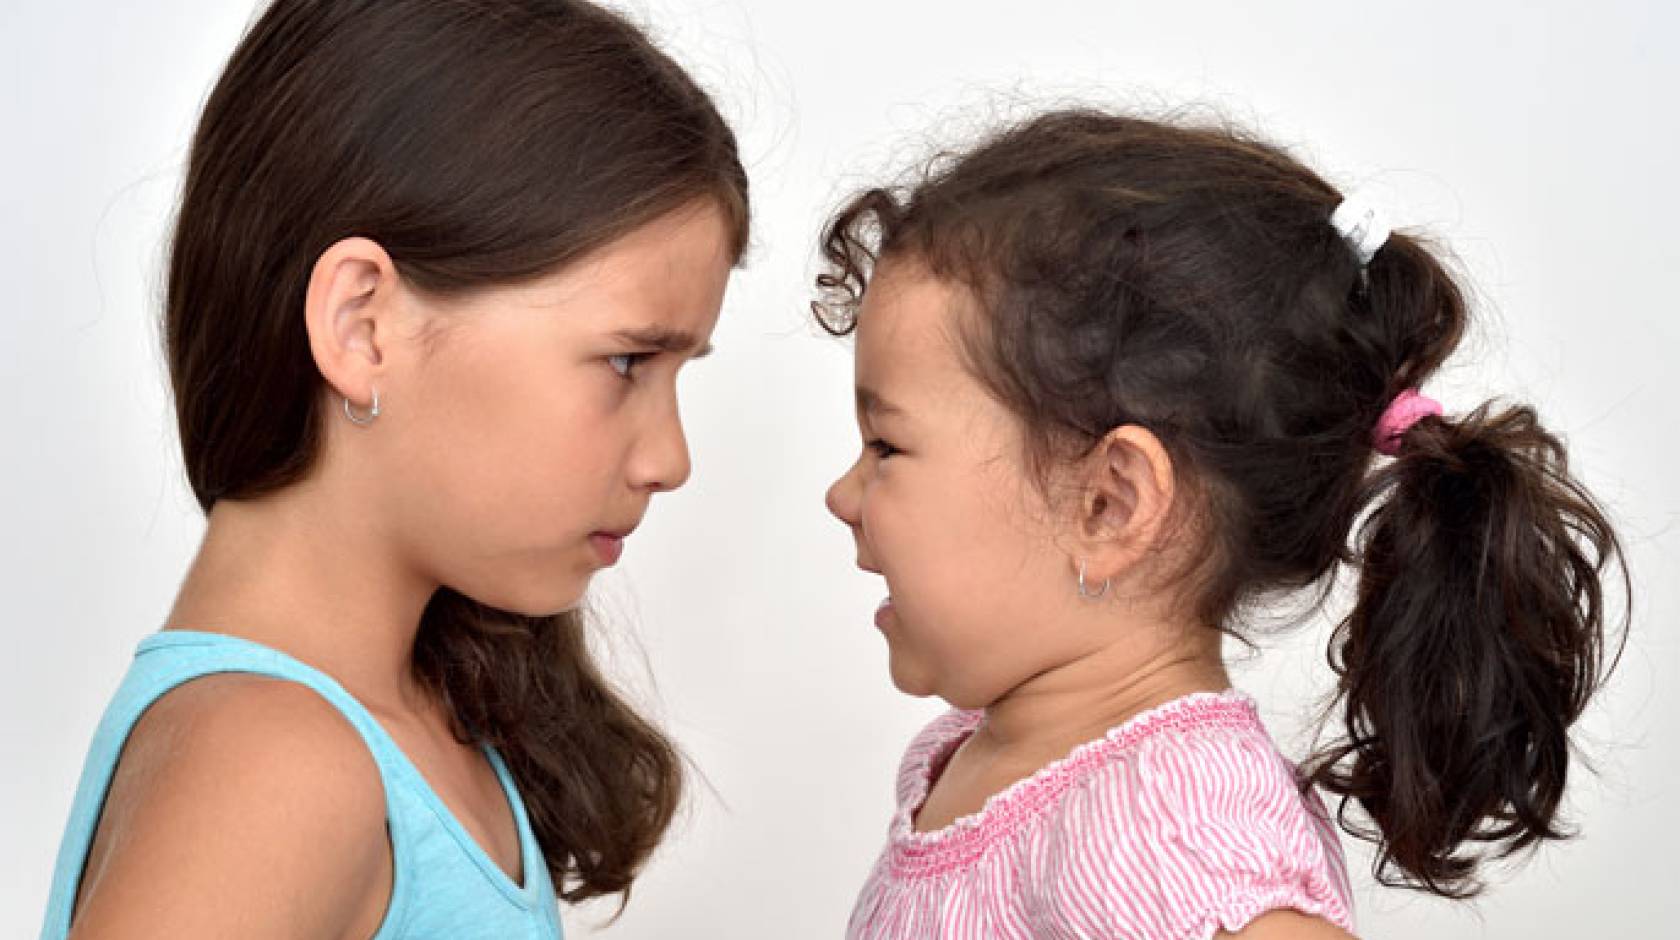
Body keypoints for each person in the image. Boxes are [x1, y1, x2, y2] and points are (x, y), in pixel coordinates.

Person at [815, 108, 1628, 939]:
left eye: (886, 445)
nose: (843, 495)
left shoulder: (1163, 831)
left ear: (1110, 503)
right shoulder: (966, 756)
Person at [40, 1, 750, 937]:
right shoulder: (270, 763)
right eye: (626, 362)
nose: (671, 459)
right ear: (363, 326)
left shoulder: (418, 722)